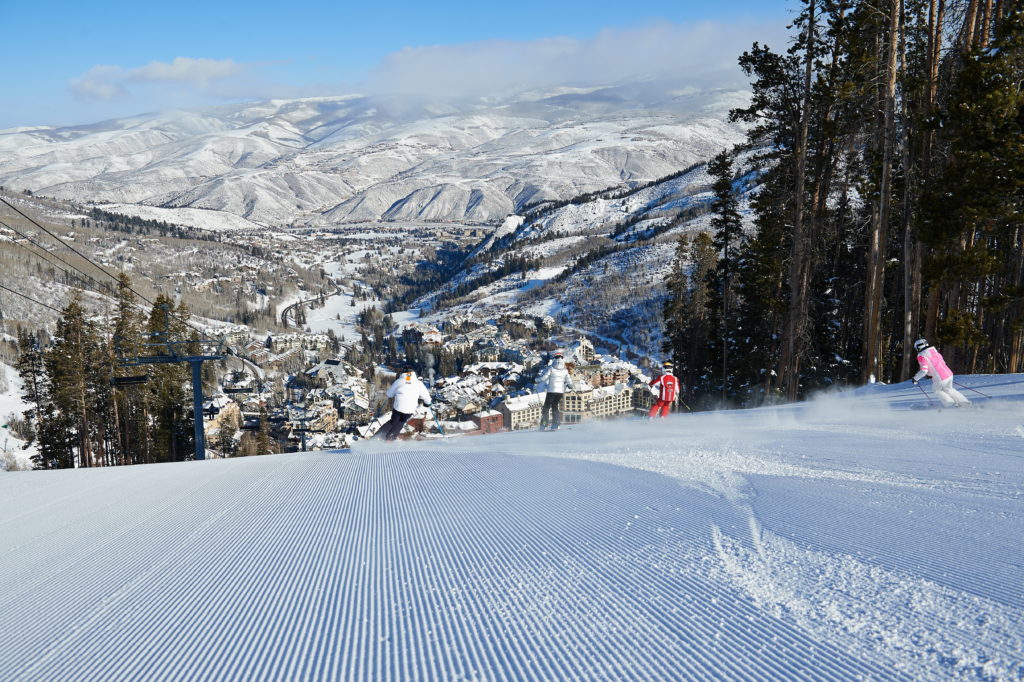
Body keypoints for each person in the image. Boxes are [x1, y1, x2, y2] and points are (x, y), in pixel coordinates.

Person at [378, 366, 432, 441]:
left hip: (398, 407)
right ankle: (390, 438)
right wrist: (427, 404)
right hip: (410, 409)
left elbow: (389, 394)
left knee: (393, 421)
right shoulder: (418, 383)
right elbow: (427, 397)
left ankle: (379, 435)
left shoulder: (399, 381)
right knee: (401, 421)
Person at [912, 338, 970, 407]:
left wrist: (915, 378)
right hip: (949, 374)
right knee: (949, 390)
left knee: (937, 390)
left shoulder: (921, 356)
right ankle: (964, 402)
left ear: (919, 347)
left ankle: (950, 404)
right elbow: (941, 363)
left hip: (940, 377)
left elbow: (924, 370)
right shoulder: (934, 351)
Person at [537, 352, 575, 430]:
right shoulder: (565, 370)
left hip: (551, 390)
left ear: (554, 358)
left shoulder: (551, 368)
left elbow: (543, 378)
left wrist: (535, 380)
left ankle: (544, 425)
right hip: (560, 392)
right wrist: (570, 386)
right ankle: (556, 424)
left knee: (546, 407)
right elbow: (570, 382)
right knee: (555, 406)